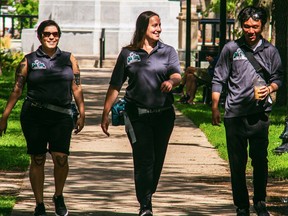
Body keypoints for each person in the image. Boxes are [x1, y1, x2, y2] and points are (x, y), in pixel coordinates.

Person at [0, 20, 85, 216]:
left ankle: (58, 195)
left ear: (59, 36)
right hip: (34, 116)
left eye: (55, 34)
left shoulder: (69, 59)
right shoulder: (28, 60)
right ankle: (39, 204)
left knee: (61, 158)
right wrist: (4, 117)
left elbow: (77, 87)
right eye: (47, 34)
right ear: (39, 36)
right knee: (37, 159)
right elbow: (17, 89)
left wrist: (82, 112)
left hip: (62, 116)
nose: (51, 37)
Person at [101, 11, 181, 216]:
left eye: (160, 25)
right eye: (154, 25)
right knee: (144, 158)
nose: (158, 29)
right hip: (136, 116)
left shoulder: (168, 51)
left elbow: (176, 74)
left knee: (158, 158)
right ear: (143, 27)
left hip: (164, 115)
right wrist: (105, 112)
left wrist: (171, 82)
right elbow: (115, 84)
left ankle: (148, 193)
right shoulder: (128, 53)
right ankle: (145, 205)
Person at [211, 6, 282, 216]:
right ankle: (241, 206)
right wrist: (215, 106)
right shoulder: (231, 48)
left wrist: (269, 88)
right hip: (234, 115)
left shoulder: (270, 51)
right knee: (237, 163)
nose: (250, 30)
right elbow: (218, 78)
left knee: (260, 160)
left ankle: (260, 202)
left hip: (259, 115)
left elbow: (278, 78)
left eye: (255, 26)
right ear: (241, 26)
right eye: (246, 26)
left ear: (262, 26)